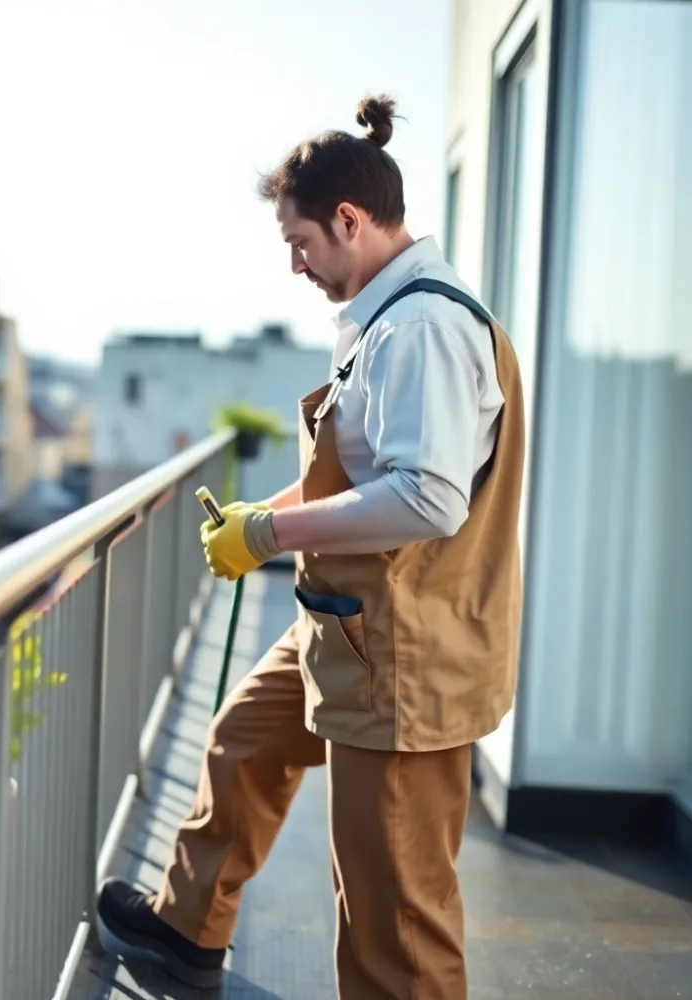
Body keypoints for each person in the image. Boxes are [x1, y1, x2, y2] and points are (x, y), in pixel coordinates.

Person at [96, 94, 525, 1000]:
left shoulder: (422, 329)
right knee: (243, 743)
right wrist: (263, 518)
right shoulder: (388, 318)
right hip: (351, 624)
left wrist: (271, 532)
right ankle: (186, 931)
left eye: (298, 242)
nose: (293, 264)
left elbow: (426, 498)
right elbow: (358, 471)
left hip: (403, 661)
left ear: (349, 219)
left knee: (393, 917)